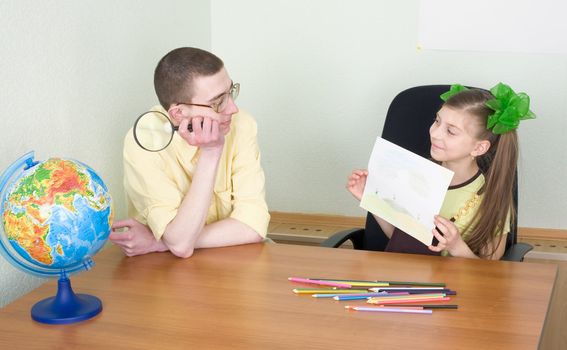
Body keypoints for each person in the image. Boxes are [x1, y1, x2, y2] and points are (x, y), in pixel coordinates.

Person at [109, 47, 270, 258]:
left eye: (231, 92)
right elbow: (181, 246)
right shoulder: (142, 142)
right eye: (218, 101)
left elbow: (253, 226)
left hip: (234, 260)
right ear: (178, 113)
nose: (233, 108)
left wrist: (160, 242)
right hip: (161, 272)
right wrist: (212, 153)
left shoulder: (242, 125)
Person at [346, 83, 536, 259]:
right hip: (409, 280)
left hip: (457, 289)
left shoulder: (490, 198)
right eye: (437, 121)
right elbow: (403, 240)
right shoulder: (418, 175)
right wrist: (370, 200)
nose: (434, 133)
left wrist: (456, 246)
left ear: (478, 148)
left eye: (451, 131)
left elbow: (491, 270)